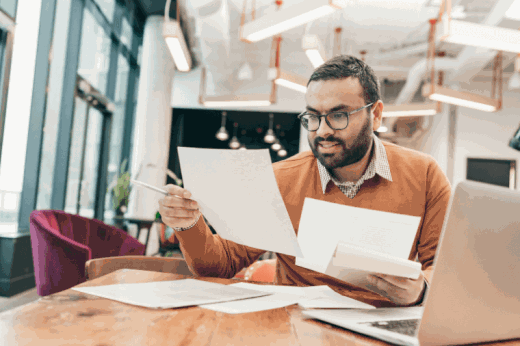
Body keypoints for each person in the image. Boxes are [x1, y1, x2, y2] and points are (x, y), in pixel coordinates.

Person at [158, 55, 451, 308]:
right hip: (297, 325)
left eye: (338, 116)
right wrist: (188, 224)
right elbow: (222, 265)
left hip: (382, 326)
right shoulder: (280, 179)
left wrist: (421, 289)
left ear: (375, 115)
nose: (322, 131)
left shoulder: (424, 175)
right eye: (313, 117)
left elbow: (445, 267)